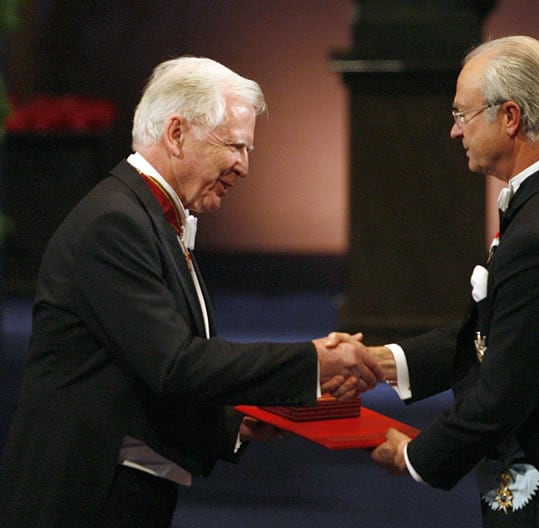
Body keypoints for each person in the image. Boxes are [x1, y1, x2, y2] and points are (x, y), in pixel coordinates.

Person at [0, 56, 383, 527]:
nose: (243, 166)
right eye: (235, 146)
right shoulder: (115, 222)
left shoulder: (145, 215)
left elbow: (143, 367)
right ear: (177, 134)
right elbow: (175, 365)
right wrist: (313, 362)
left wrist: (234, 420)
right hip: (83, 497)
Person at [340, 35, 539, 526]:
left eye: (461, 115)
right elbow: (505, 328)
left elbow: (502, 394)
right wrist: (385, 362)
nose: (454, 131)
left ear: (509, 117)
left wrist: (415, 456)